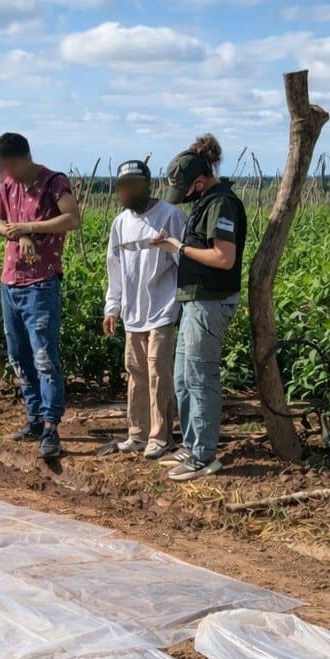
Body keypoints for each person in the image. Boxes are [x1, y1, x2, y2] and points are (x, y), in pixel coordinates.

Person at [153, 134, 246, 482]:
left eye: (186, 190)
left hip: (211, 301)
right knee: (182, 377)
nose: (184, 198)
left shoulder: (222, 204)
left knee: (200, 377)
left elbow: (224, 257)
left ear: (200, 181)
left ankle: (205, 455)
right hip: (195, 301)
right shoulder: (206, 202)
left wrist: (178, 248)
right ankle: (192, 446)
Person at [0, 132, 82, 460]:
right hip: (10, 282)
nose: (5, 172)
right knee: (19, 356)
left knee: (44, 357)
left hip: (40, 283)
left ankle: (51, 427)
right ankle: (33, 418)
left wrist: (32, 228)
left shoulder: (53, 182)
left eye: (7, 165)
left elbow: (72, 219)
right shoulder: (7, 184)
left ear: (22, 159)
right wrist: (18, 230)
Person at [103, 160, 185, 460]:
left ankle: (160, 436)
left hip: (162, 309)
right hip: (132, 312)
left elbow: (183, 260)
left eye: (133, 186)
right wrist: (112, 307)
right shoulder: (120, 223)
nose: (127, 192)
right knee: (136, 372)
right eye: (123, 187)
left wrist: (182, 304)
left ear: (148, 186)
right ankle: (137, 434)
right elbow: (115, 268)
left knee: (157, 373)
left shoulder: (170, 216)